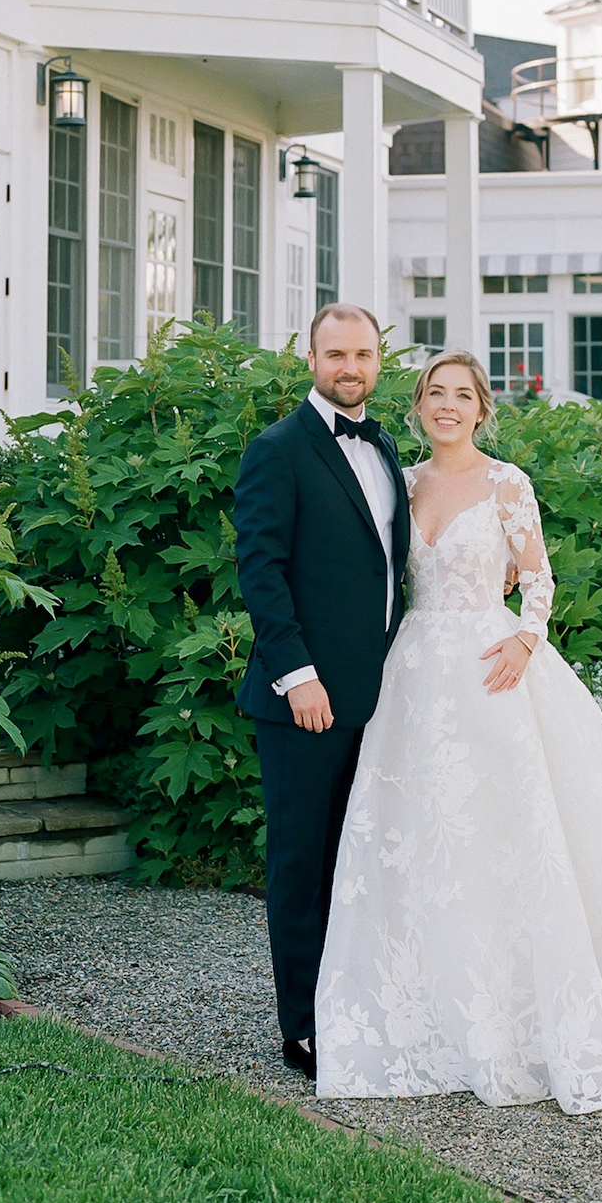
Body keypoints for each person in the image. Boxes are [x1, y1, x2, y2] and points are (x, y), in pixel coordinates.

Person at [314, 351, 602, 1113]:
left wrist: (524, 640)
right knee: (418, 838)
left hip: (491, 667)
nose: (447, 405)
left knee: (500, 834)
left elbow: (537, 577)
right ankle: (430, 1017)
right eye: (435, 393)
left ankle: (518, 1022)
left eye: (461, 395)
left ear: (481, 409)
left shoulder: (508, 483)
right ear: (418, 407)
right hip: (414, 674)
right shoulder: (400, 484)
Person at [233, 302, 409, 1080]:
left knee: (357, 860)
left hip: (378, 697)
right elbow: (261, 569)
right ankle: (302, 1027)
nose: (350, 367)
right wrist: (297, 675)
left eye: (363, 354)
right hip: (303, 701)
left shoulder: (386, 445)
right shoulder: (278, 449)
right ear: (310, 358)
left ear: (378, 361)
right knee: (301, 864)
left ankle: (354, 1007)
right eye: (335, 353)